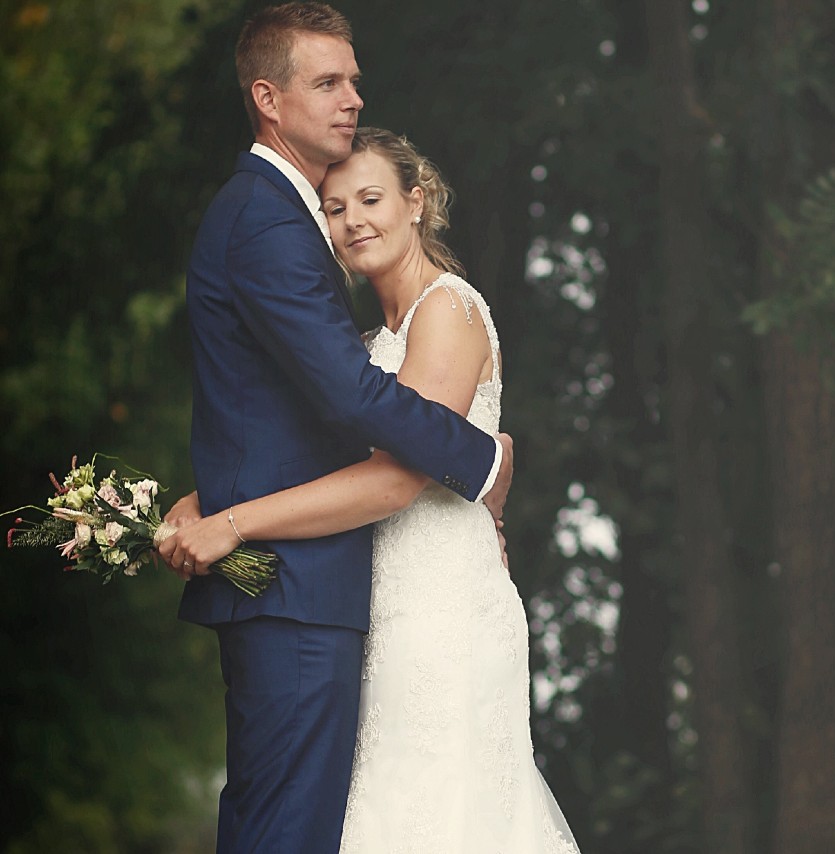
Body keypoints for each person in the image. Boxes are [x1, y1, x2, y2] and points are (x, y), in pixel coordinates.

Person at [162, 128, 580, 852]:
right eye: (332, 207)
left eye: (371, 198)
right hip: (377, 608)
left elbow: (392, 482)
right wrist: (202, 500)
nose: (353, 219)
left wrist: (232, 523)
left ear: (416, 203)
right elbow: (313, 465)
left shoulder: (448, 310)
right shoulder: (360, 348)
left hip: (443, 612)